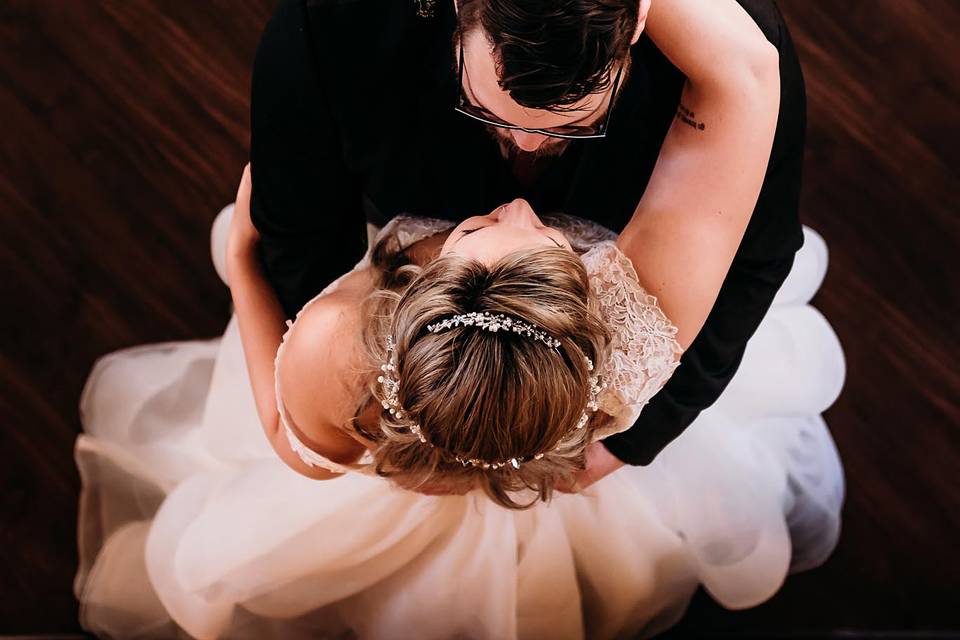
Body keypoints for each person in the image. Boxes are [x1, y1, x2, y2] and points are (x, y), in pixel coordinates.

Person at [73, 165, 845, 638]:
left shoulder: (336, 347)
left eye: (477, 231)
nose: (511, 205)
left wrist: (245, 266)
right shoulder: (621, 368)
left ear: (427, 300)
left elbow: (286, 438)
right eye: (503, 227)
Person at [248, 0, 808, 490]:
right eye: (486, 109)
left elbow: (759, 257)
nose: (529, 143)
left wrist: (239, 261)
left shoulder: (343, 349)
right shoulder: (641, 321)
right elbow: (302, 232)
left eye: (577, 122)